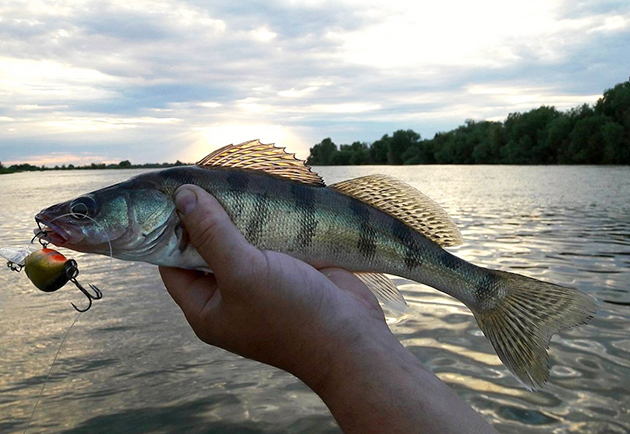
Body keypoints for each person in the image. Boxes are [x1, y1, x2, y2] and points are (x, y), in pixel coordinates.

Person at [159, 185, 498, 434]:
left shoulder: (186, 203)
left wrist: (336, 344)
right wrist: (345, 341)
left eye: (101, 209)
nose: (100, 218)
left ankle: (492, 294)